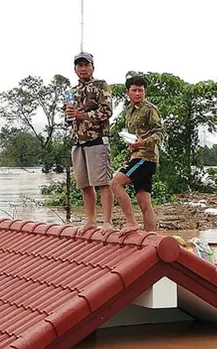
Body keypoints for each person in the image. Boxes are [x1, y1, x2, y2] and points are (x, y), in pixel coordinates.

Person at [65, 52, 115, 235]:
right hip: (77, 142)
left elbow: (107, 111)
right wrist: (69, 114)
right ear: (75, 69)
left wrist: (82, 115)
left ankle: (107, 221)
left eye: (86, 65)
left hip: (97, 140)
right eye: (79, 66)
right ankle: (91, 220)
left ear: (92, 67)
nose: (83, 68)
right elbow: (68, 118)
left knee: (102, 182)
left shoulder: (101, 86)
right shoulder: (71, 91)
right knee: (84, 184)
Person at [109, 75, 164, 235]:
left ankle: (131, 222)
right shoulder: (129, 112)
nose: (138, 93)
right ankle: (150, 236)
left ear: (145, 91)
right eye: (134, 90)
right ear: (128, 92)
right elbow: (133, 138)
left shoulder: (150, 109)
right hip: (135, 157)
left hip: (145, 158)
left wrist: (143, 142)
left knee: (115, 184)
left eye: (141, 90)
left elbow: (160, 132)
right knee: (143, 201)